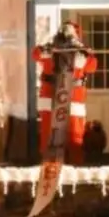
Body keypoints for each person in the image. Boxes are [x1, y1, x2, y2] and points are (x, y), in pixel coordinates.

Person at [32, 21, 98, 165]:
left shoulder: (48, 50)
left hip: (49, 101)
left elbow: (35, 54)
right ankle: (74, 170)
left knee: (48, 138)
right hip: (74, 102)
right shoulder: (81, 54)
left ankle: (48, 168)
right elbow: (93, 66)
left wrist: (48, 46)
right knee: (75, 139)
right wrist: (86, 50)